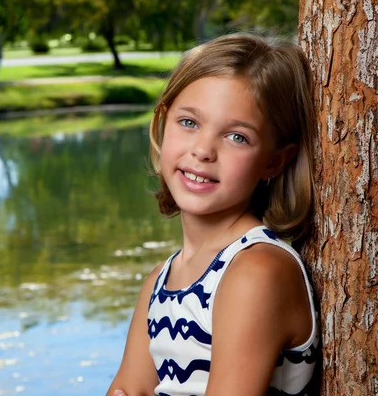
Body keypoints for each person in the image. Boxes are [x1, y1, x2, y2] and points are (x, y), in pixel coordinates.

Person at [106, 33, 321, 396]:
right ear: (163, 122)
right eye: (189, 122)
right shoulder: (159, 281)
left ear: (274, 161)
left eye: (237, 137)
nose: (203, 151)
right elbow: (127, 390)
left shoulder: (256, 272)